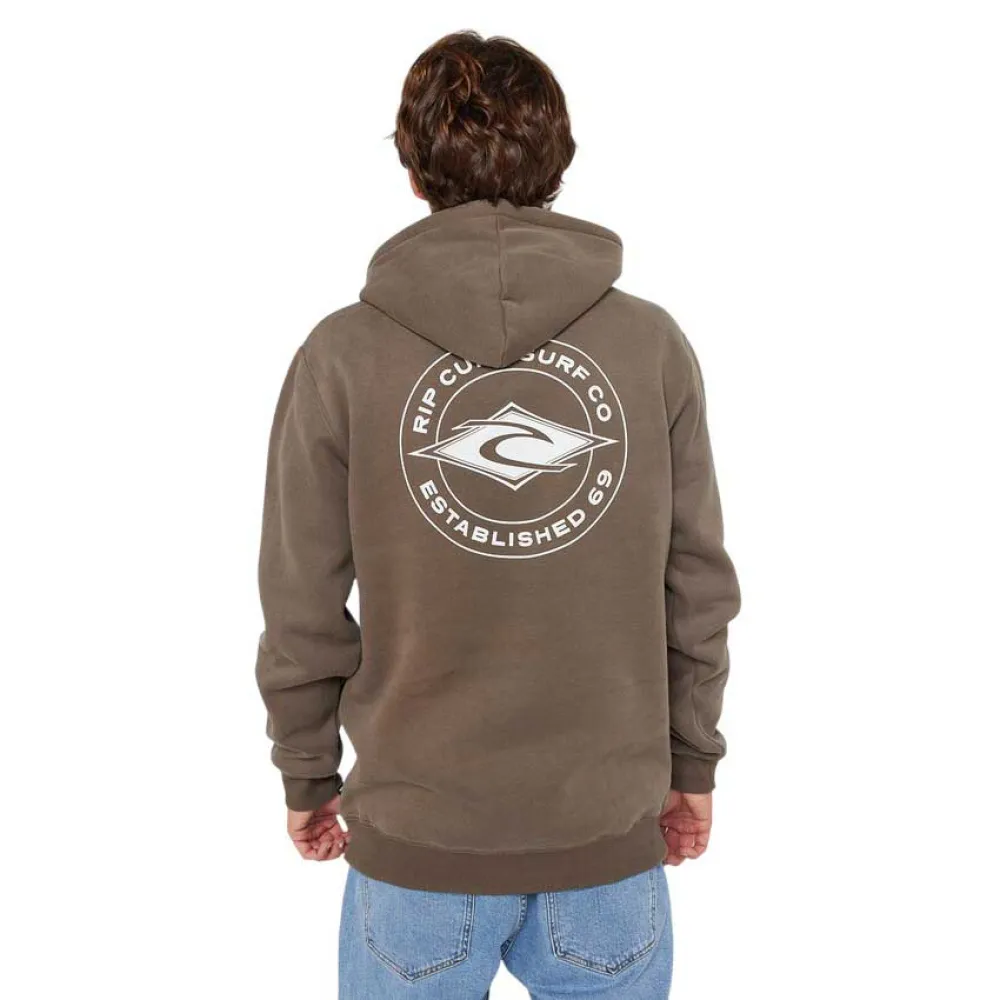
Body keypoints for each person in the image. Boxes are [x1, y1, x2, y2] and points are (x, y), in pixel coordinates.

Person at [255, 30, 740, 1000]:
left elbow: (300, 600)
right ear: (558, 159)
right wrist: (693, 763)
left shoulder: (341, 357)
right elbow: (695, 584)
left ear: (412, 168)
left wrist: (307, 774)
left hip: (418, 849)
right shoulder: (648, 347)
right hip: (606, 844)